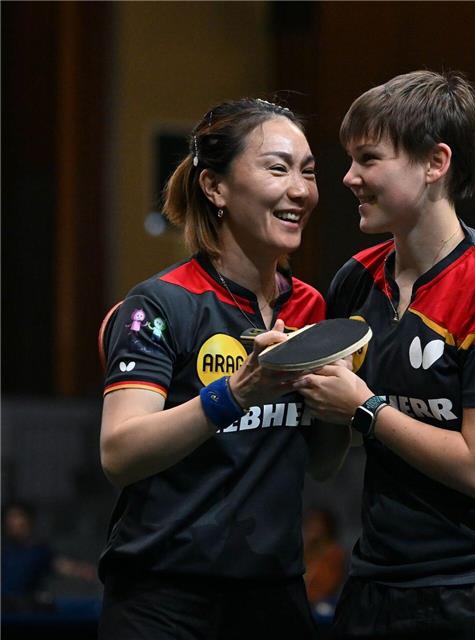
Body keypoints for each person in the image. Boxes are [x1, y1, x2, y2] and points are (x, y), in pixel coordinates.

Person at [293, 70, 475, 638]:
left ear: (435, 163)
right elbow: (332, 444)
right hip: (384, 582)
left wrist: (366, 408)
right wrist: (294, 373)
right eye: (349, 159)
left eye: (369, 158)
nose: (349, 177)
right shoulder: (354, 282)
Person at [97, 98, 349, 639]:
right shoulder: (160, 305)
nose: (301, 190)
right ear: (215, 187)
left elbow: (323, 464)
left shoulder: (310, 309)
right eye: (278, 168)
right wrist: (235, 394)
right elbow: (120, 453)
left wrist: (345, 404)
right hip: (163, 599)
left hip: (273, 593)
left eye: (308, 171)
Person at [1, 501, 97, 613]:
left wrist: (84, 571)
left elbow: (60, 565)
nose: (12, 522)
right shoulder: (4, 549)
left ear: (28, 520)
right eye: (10, 517)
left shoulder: (38, 551)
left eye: (17, 516)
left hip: (27, 606)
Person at [302, 507, 347, 613]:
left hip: (323, 605)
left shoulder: (335, 554)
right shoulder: (305, 552)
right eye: (310, 523)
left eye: (317, 523)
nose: (313, 528)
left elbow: (328, 584)